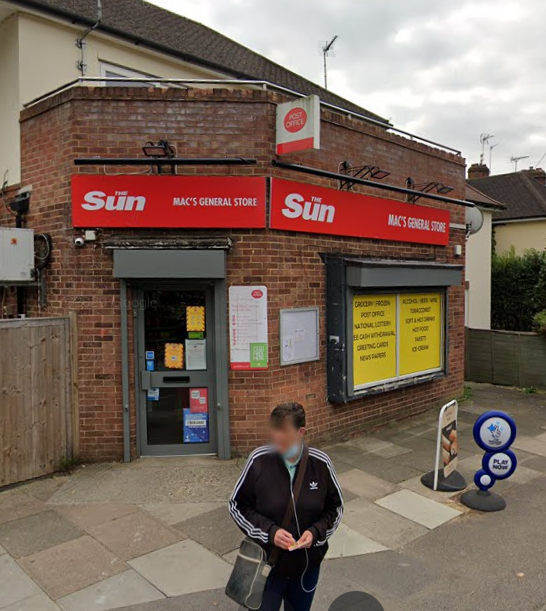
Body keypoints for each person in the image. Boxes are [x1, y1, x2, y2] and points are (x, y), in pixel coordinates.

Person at [229, 402, 344, 611]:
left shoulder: (321, 464)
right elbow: (237, 506)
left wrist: (315, 532)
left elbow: (335, 508)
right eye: (274, 428)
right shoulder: (259, 460)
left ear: (301, 432)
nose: (276, 436)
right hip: (267, 567)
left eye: (283, 431)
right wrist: (270, 533)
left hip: (306, 568)